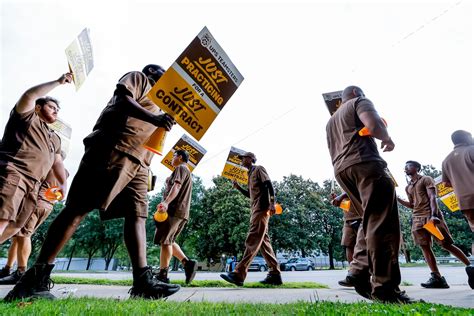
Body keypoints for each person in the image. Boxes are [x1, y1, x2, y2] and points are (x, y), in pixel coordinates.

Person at [5, 64, 180, 301]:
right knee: (78, 209)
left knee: (137, 214)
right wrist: (155, 117)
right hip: (113, 147)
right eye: (164, 74)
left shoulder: (163, 103)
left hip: (141, 161)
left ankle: (142, 281)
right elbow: (121, 100)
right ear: (152, 73)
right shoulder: (140, 79)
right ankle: (35, 279)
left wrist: (165, 120)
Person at [326, 85, 417, 303]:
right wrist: (386, 138)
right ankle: (386, 289)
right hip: (366, 164)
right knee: (383, 224)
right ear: (357, 93)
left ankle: (358, 270)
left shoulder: (330, 121)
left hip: (342, 170)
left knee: (369, 221)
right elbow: (373, 123)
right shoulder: (359, 102)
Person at [0, 74, 70, 240]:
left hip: (34, 184)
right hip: (15, 173)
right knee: (2, 218)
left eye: (58, 110)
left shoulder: (54, 138)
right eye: (52, 107)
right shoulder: (26, 117)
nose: (56, 111)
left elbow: (57, 162)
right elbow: (29, 95)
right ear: (37, 107)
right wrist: (58, 82)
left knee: (15, 226)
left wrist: (63, 185)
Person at [397, 160, 472, 289]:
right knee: (424, 246)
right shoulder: (408, 187)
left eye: (409, 166)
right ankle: (436, 277)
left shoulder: (426, 179)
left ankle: (470, 266)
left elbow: (432, 197)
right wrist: (398, 199)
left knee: (446, 244)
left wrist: (434, 215)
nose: (406, 168)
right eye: (405, 166)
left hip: (430, 216)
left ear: (416, 168)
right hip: (417, 219)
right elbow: (412, 205)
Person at [220, 152, 282, 286]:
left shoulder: (259, 169)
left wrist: (272, 203)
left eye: (243, 158)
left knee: (252, 239)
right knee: (264, 243)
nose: (241, 161)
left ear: (250, 159)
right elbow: (250, 194)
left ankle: (239, 274)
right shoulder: (249, 175)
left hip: (262, 209)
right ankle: (275, 274)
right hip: (255, 210)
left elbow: (269, 185)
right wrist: (238, 188)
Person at [0, 166, 67, 284]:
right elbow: (59, 194)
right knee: (17, 236)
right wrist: (48, 199)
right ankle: (7, 269)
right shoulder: (64, 173)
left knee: (24, 235)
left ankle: (20, 272)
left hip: (36, 203)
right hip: (47, 205)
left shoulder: (49, 167)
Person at [153, 149, 197, 285]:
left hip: (175, 210)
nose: (171, 158)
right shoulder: (184, 170)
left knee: (165, 241)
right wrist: (168, 184)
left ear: (180, 157)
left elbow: (177, 187)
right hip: (180, 212)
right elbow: (175, 186)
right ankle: (187, 264)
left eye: (173, 155)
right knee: (168, 240)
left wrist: (166, 202)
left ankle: (163, 275)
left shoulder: (181, 168)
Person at [441, 130, 474, 289]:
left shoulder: (446, 160)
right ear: (467, 138)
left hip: (465, 202)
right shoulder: (471, 150)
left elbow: (446, 184)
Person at [332, 192, 362, 287]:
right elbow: (348, 203)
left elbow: (354, 188)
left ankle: (369, 276)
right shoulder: (343, 185)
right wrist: (338, 201)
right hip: (348, 219)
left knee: (364, 247)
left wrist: (341, 196)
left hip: (361, 217)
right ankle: (352, 275)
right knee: (348, 245)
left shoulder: (352, 178)